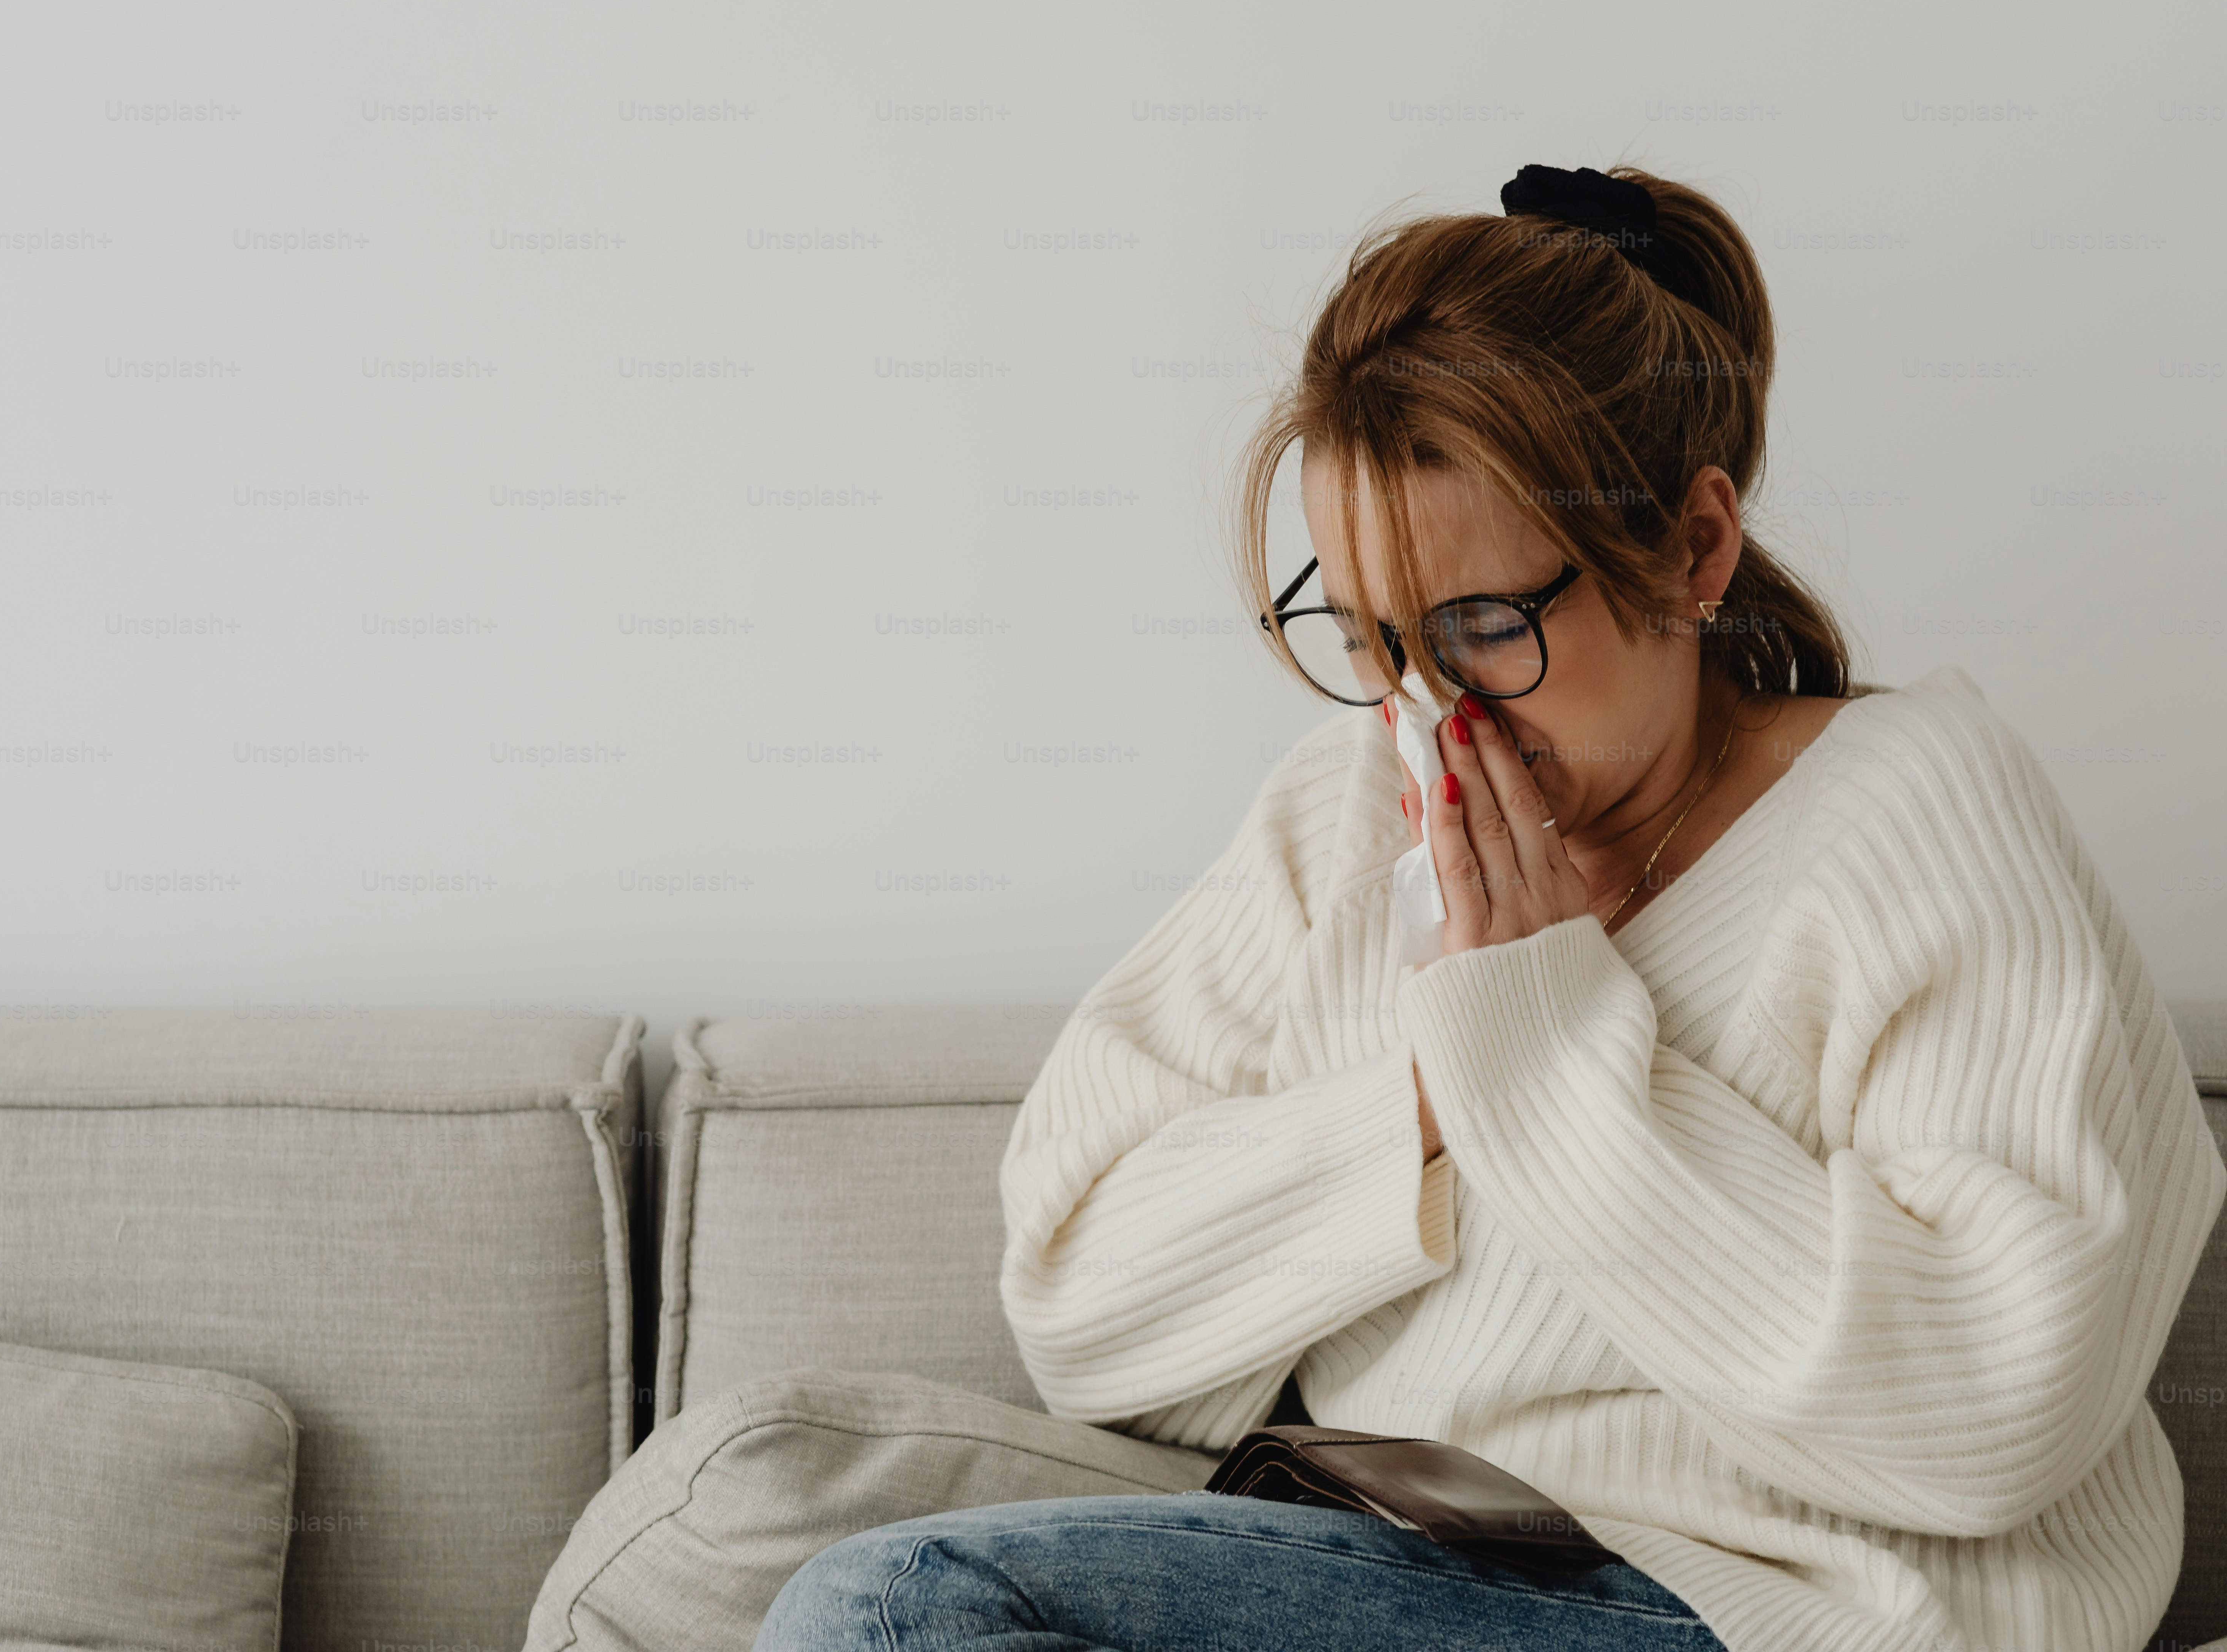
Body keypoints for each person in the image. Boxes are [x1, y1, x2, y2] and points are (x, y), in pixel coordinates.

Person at [753, 165, 2226, 1651]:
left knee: (893, 1612)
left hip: (1760, 1616)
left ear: (1698, 550)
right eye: (1374, 635)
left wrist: (1549, 1048)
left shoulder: (1918, 809)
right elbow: (1081, 1302)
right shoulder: (1344, 810)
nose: (1427, 710)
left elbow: (1995, 1409)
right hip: (1378, 1558)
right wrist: (1434, 1095)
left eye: (1484, 625)